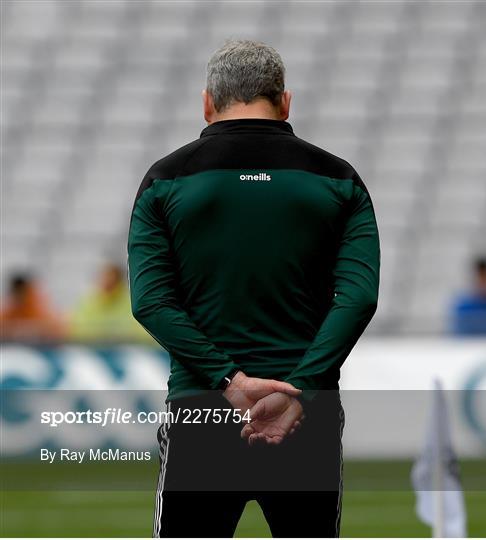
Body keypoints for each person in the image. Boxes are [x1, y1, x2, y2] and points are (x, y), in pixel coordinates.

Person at [128, 39, 380, 538]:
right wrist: (300, 390)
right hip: (305, 417)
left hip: (202, 409)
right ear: (286, 102)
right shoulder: (339, 179)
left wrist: (232, 382)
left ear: (207, 102)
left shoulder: (164, 179)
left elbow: (152, 302)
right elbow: (358, 297)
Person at [69, 263, 152, 343]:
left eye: (110, 279)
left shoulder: (130, 302)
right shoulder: (88, 301)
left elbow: (142, 333)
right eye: (103, 278)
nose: (106, 282)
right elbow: (77, 331)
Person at [0, 273, 65, 342]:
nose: (19, 296)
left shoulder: (38, 307)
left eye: (21, 291)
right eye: (17, 292)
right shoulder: (10, 309)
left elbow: (55, 329)